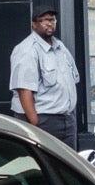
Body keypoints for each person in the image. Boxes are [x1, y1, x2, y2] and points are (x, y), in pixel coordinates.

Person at [9, 8, 81, 149]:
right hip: (44, 120)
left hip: (66, 119)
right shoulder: (27, 49)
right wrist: (35, 124)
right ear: (34, 24)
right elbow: (24, 90)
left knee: (68, 167)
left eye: (53, 19)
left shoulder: (60, 47)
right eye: (45, 20)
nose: (50, 24)